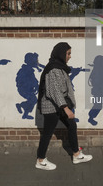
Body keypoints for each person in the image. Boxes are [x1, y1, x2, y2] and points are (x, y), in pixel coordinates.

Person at [36, 42, 93, 171]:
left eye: (70, 53)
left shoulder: (61, 68)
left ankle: (76, 155)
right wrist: (66, 108)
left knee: (72, 125)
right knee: (47, 133)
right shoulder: (52, 69)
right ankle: (40, 160)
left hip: (60, 106)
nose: (70, 56)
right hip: (51, 107)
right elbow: (54, 91)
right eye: (68, 53)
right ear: (61, 54)